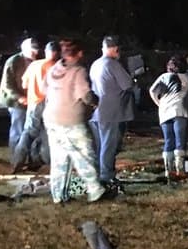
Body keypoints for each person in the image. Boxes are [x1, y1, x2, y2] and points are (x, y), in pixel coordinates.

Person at [44, 40, 107, 203]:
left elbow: (45, 89)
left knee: (59, 158)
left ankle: (59, 195)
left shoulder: (55, 68)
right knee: (84, 154)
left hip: (51, 118)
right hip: (71, 120)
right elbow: (85, 95)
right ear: (79, 53)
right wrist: (96, 101)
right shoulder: (78, 71)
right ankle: (95, 190)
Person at [89, 35, 136, 187]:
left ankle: (98, 175)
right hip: (113, 112)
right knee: (110, 146)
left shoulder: (95, 64)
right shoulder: (113, 64)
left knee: (101, 146)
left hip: (98, 112)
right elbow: (127, 84)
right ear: (115, 48)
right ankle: (107, 177)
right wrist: (134, 77)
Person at [11, 40, 60, 173]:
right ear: (57, 52)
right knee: (48, 134)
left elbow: (24, 84)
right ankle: (48, 162)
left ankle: (17, 161)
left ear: (46, 51)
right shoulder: (56, 66)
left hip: (33, 103)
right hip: (48, 103)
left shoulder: (34, 65)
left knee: (28, 133)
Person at [149, 55, 188, 178]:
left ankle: (169, 170)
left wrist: (159, 103)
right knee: (180, 141)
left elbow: (152, 91)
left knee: (169, 140)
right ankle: (180, 170)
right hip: (179, 111)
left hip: (164, 111)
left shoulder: (163, 77)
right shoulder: (187, 78)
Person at [0, 37, 39, 155]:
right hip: (15, 101)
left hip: (30, 100)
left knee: (29, 129)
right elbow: (7, 84)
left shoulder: (35, 61)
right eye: (33, 50)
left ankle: (26, 156)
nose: (36, 52)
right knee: (18, 128)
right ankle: (14, 157)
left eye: (36, 50)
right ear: (26, 49)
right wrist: (19, 97)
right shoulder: (13, 61)